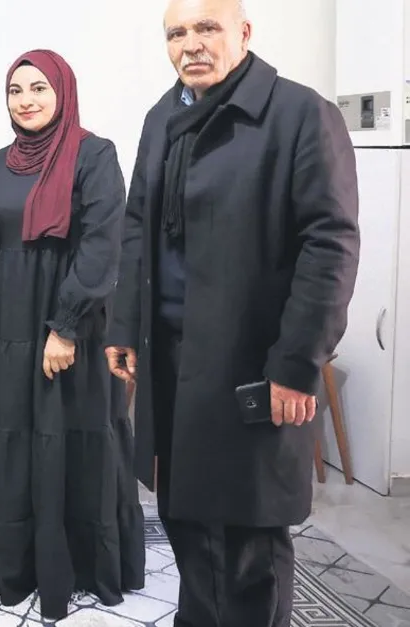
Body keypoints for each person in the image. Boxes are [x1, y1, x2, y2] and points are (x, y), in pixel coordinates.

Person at [105, 1, 360, 624]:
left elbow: (330, 245)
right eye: (177, 33)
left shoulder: (300, 114)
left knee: (247, 542)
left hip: (253, 361)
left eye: (207, 27)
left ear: (243, 33)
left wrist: (296, 364)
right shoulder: (162, 117)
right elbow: (136, 226)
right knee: (187, 519)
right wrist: (124, 325)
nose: (191, 44)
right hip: (171, 359)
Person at [0, 50, 145, 621]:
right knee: (12, 428)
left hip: (71, 318)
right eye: (16, 90)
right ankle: (14, 557)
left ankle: (78, 561)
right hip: (9, 315)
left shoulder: (93, 154)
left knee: (71, 429)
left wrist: (64, 329)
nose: (26, 100)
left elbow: (101, 246)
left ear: (62, 91)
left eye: (39, 87)